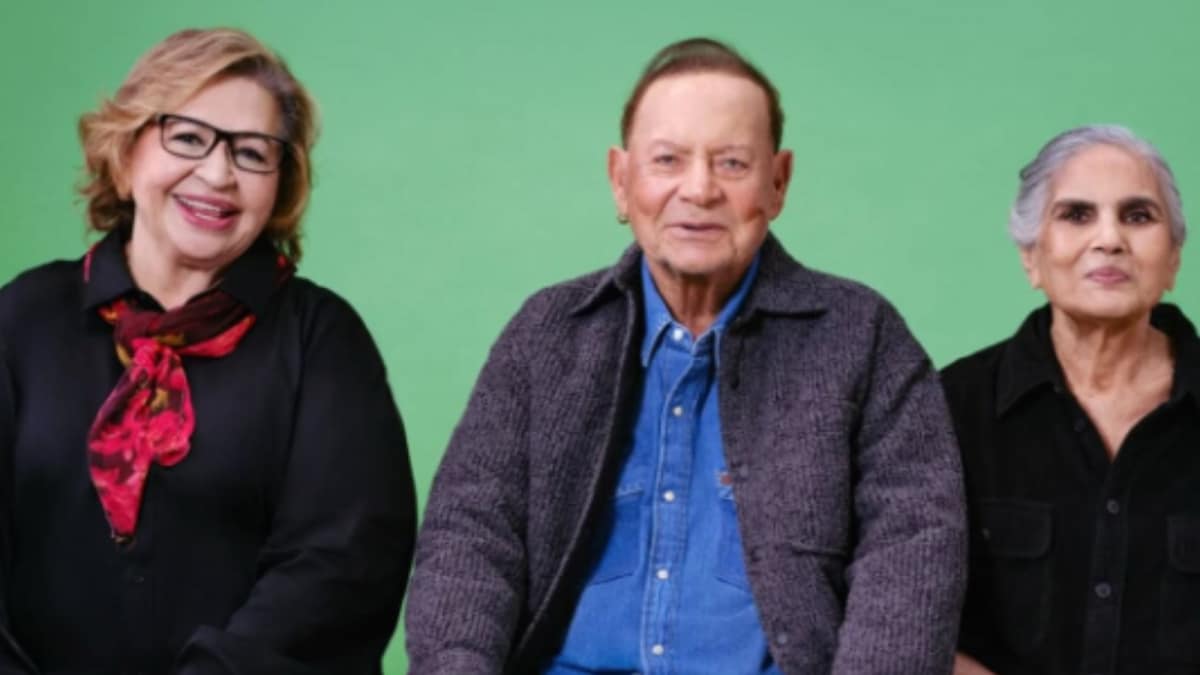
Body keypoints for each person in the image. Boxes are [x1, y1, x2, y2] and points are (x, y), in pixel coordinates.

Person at [406, 37, 966, 674]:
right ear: (622, 181)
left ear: (778, 182)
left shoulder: (861, 337)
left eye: (731, 163)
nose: (698, 190)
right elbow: (470, 538)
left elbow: (913, 550)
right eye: (668, 160)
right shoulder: (547, 334)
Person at [0, 28, 415, 674]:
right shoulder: (22, 317)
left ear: (281, 184)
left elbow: (341, 566)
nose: (219, 174)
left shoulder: (323, 340)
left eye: (253, 153)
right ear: (126, 151)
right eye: (188, 138)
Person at [946, 125, 1196, 675]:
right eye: (1077, 215)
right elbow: (900, 614)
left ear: (1174, 259)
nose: (1109, 239)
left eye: (1138, 216)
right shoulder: (949, 410)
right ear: (1031, 256)